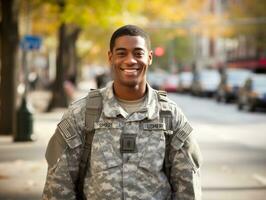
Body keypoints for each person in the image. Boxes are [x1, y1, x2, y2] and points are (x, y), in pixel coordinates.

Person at [42, 24, 202, 200]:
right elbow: (58, 186)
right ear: (110, 57)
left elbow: (188, 188)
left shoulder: (169, 115)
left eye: (138, 53)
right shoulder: (82, 113)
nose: (130, 60)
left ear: (149, 58)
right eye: (121, 53)